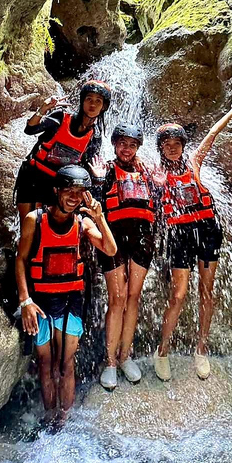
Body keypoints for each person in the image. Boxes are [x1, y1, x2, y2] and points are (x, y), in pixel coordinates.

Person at [152, 94, 232, 381]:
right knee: (178, 294)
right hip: (180, 236)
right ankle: (163, 350)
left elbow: (213, 133)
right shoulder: (155, 173)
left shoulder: (193, 163)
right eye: (167, 145)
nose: (172, 149)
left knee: (207, 292)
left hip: (207, 230)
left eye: (176, 144)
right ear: (160, 148)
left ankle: (201, 348)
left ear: (182, 146)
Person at [15, 165, 117, 417]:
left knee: (67, 364)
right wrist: (25, 301)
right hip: (40, 301)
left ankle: (64, 419)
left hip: (71, 300)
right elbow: (21, 260)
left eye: (80, 192)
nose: (74, 196)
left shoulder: (83, 223)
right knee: (46, 364)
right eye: (69, 190)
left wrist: (100, 217)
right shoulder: (34, 220)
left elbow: (111, 249)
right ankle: (50, 415)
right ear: (56, 191)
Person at [90, 124, 156, 390]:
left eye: (132, 144)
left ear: (137, 147)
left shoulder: (148, 172)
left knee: (133, 297)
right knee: (117, 299)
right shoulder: (104, 170)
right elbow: (94, 206)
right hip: (113, 240)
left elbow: (159, 200)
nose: (126, 149)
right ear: (115, 145)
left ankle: (125, 355)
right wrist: (96, 180)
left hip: (142, 240)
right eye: (122, 143)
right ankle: (110, 362)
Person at [14, 80, 112, 225]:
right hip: (32, 175)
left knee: (44, 226)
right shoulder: (61, 117)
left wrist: (98, 178)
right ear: (82, 101)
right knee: (27, 224)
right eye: (89, 99)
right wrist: (43, 109)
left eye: (98, 101)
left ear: (103, 106)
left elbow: (85, 170)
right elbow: (30, 129)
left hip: (56, 185)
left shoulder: (94, 137)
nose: (93, 104)